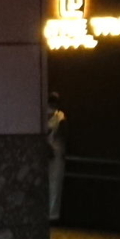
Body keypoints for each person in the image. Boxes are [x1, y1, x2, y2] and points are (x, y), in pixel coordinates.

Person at [47, 91, 68, 222]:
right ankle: (50, 213)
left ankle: (51, 213)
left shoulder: (59, 116)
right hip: (52, 151)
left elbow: (63, 133)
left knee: (54, 183)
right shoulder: (57, 116)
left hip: (55, 152)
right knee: (52, 183)